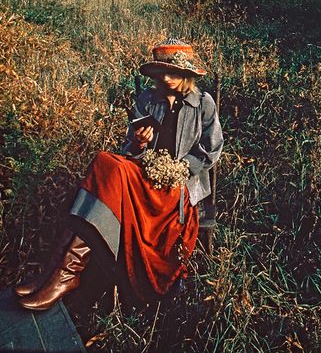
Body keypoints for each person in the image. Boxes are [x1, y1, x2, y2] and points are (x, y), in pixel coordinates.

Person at [15, 39, 223, 311]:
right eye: (162, 73)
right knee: (106, 161)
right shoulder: (148, 99)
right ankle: (59, 273)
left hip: (178, 186)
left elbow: (212, 148)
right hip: (143, 174)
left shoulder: (203, 104)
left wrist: (180, 168)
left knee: (106, 165)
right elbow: (128, 149)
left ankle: (61, 275)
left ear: (186, 73)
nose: (167, 78)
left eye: (173, 72)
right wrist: (139, 143)